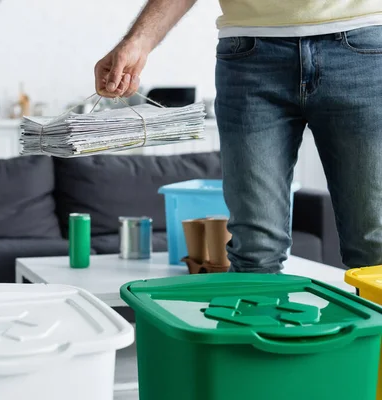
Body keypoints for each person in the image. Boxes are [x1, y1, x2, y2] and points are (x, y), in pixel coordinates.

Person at [94, 1, 382, 273]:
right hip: (249, 56)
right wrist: (138, 42)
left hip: (362, 46)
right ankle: (260, 325)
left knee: (375, 245)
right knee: (255, 251)